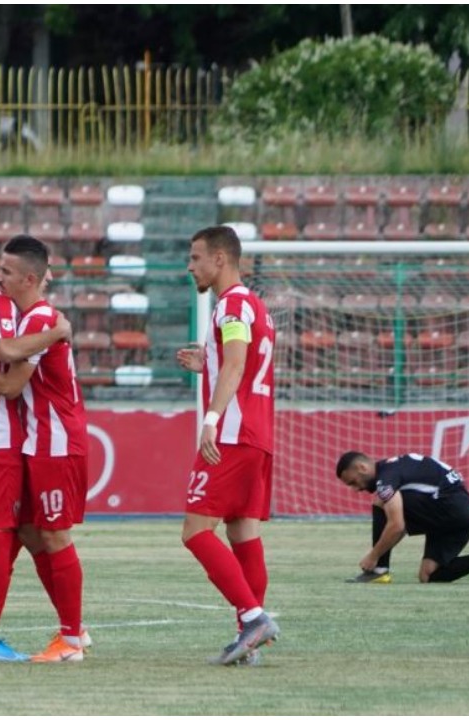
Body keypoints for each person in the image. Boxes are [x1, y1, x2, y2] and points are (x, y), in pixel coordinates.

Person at [0, 235, 89, 663]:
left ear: (29, 279)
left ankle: (69, 639)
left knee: (46, 533)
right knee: (27, 532)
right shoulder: (34, 316)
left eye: (7, 273)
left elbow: (12, 380)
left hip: (52, 441)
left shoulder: (37, 320)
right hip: (33, 438)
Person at [175, 225, 279, 667]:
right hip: (257, 435)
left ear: (220, 259)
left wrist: (211, 420)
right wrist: (210, 364)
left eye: (196, 258)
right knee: (242, 532)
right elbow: (237, 362)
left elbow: (237, 364)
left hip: (232, 435)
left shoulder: (231, 306)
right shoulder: (256, 306)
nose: (190, 266)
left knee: (196, 532)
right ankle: (247, 636)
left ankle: (253, 618)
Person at [335, 451, 469, 585]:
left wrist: (373, 556)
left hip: (449, 509)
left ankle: (379, 570)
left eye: (353, 482)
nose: (356, 489)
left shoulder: (386, 478)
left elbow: (397, 526)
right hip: (461, 514)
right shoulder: (394, 468)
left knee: (381, 501)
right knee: (428, 575)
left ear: (362, 468)